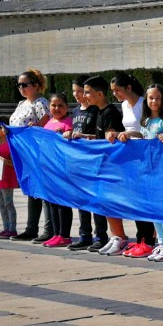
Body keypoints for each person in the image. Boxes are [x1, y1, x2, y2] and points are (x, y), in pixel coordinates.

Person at [122, 84, 163, 261]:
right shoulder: (146, 122)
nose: (154, 101)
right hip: (149, 171)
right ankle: (161, 242)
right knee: (153, 209)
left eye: (158, 98)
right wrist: (130, 134)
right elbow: (143, 138)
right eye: (151, 98)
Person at [82, 75, 133, 255]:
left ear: (100, 94)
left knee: (111, 202)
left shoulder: (110, 112)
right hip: (103, 165)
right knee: (105, 202)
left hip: (113, 167)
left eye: (88, 93)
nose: (85, 96)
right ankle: (116, 236)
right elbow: (100, 138)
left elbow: (110, 139)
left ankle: (120, 237)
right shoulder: (98, 111)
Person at [111, 72, 156, 255]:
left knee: (146, 198)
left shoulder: (143, 104)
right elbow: (127, 128)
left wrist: (129, 134)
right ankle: (140, 239)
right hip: (131, 156)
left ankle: (149, 240)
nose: (115, 94)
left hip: (145, 154)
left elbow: (147, 131)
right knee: (135, 199)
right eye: (113, 91)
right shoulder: (124, 105)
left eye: (118, 90)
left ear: (129, 87)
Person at [63, 75, 104, 251]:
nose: (77, 95)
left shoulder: (95, 110)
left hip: (93, 161)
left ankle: (101, 236)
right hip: (78, 161)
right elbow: (75, 130)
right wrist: (69, 133)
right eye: (74, 91)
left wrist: (84, 136)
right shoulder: (75, 111)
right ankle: (84, 235)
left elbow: (99, 137)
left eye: (80, 91)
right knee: (82, 200)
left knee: (95, 200)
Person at [8, 69, 50, 242]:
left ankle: (49, 229)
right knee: (32, 190)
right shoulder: (21, 104)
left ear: (36, 86)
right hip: (23, 153)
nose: (21, 88)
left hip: (37, 153)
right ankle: (31, 228)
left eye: (25, 84)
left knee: (43, 190)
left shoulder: (41, 103)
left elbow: (46, 126)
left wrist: (34, 128)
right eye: (19, 85)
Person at [40, 93, 76, 248]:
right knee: (52, 203)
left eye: (60, 105)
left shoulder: (69, 122)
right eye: (53, 105)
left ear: (67, 107)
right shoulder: (48, 123)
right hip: (49, 168)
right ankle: (56, 234)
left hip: (62, 168)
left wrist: (66, 134)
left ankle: (64, 235)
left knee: (63, 203)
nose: (57, 108)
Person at [0, 119, 18, 238]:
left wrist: (1, 159)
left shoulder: (11, 144)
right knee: (1, 204)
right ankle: (6, 228)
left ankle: (12, 229)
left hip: (7, 178)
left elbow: (14, 163)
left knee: (8, 204)